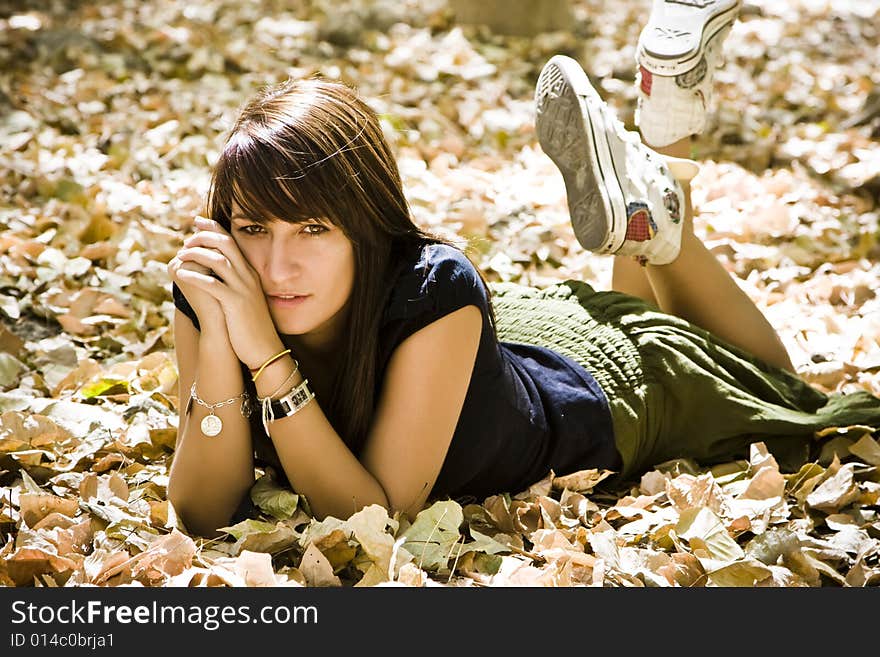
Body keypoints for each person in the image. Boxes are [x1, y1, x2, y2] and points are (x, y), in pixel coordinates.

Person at [166, 0, 880, 538]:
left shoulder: (432, 291)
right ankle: (661, 145)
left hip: (597, 400)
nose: (275, 262)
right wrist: (228, 340)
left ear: (366, 225)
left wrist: (266, 357)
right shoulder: (215, 286)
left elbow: (373, 519)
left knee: (769, 376)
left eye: (313, 228)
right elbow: (201, 507)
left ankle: (662, 223)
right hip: (498, 354)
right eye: (252, 227)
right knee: (637, 308)